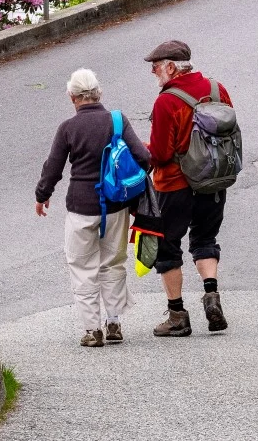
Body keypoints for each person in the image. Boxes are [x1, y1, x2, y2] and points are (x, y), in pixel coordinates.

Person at [35, 67, 151, 347]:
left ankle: (92, 330)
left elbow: (53, 167)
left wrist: (43, 194)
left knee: (82, 266)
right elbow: (144, 158)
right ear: (99, 93)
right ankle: (114, 323)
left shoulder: (68, 128)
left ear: (72, 97)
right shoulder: (117, 121)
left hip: (80, 206)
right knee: (112, 262)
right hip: (115, 206)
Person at [144, 39, 231, 337]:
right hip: (213, 181)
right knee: (205, 238)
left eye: (156, 68)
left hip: (175, 186)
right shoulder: (218, 90)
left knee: (167, 247)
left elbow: (161, 153)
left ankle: (177, 315)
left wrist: (140, 153)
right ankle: (211, 295)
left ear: (171, 67)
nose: (154, 74)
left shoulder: (167, 101)